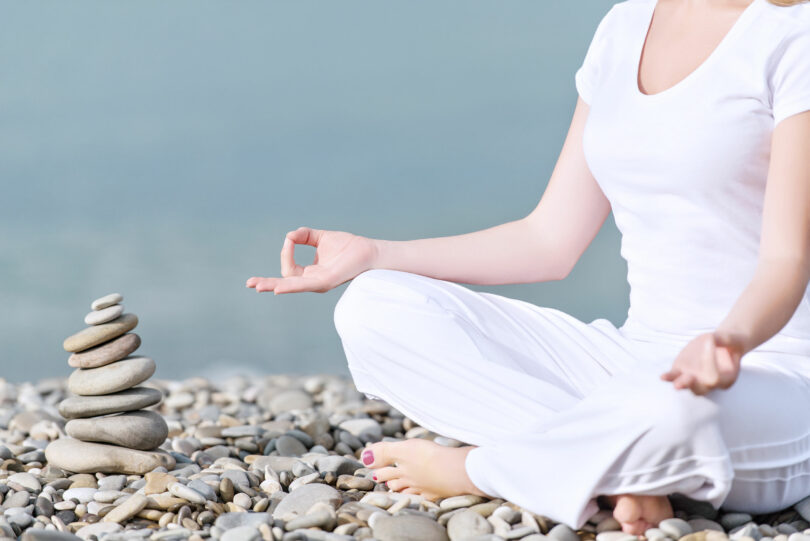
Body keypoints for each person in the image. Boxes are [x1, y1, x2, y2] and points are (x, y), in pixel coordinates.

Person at [247, 0, 810, 534]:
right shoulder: (625, 25)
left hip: (769, 373)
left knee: (672, 412)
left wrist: (730, 341)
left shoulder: (792, 36)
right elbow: (548, 239)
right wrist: (375, 253)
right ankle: (617, 469)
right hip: (635, 360)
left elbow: (788, 259)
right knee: (374, 307)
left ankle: (476, 468)